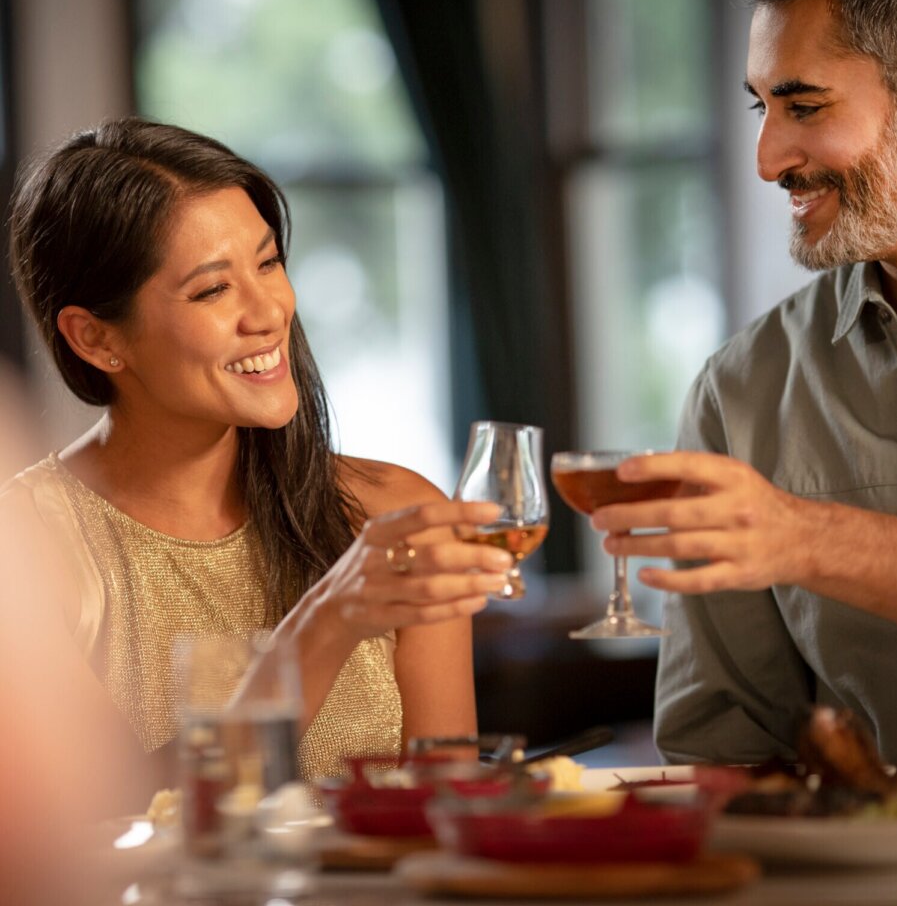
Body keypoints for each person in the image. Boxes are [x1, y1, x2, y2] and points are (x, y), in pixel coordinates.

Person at [588, 0, 897, 772]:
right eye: (761, 108)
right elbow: (728, 748)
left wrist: (809, 539)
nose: (767, 159)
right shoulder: (743, 387)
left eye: (805, 105)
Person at [1, 117, 514, 811]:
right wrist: (327, 622)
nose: (269, 311)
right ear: (96, 338)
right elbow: (102, 822)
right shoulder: (26, 549)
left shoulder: (391, 514)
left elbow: (447, 816)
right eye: (212, 290)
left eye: (268, 263)